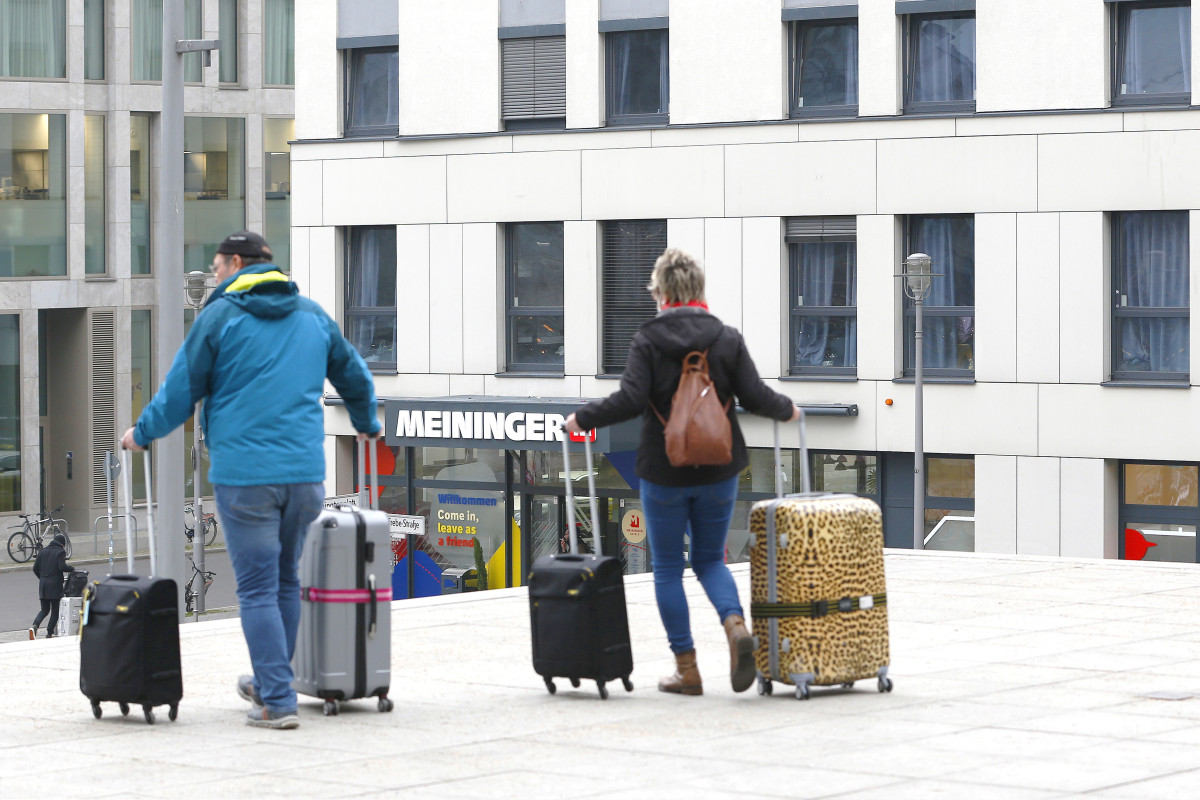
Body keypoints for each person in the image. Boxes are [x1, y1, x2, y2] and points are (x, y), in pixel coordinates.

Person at [120, 230, 380, 729]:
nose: (215, 278)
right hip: (304, 477)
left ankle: (277, 701)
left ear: (236, 263)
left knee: (259, 588)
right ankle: (270, 682)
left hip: (246, 479)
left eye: (216, 269)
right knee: (286, 581)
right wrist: (366, 424)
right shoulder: (311, 315)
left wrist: (143, 433)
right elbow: (354, 374)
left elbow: (180, 391)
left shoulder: (220, 317)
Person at [566, 248, 798, 696]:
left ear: (660, 292)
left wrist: (585, 418)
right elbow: (753, 395)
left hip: (665, 471)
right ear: (699, 290)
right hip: (719, 469)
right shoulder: (726, 337)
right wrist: (788, 410)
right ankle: (735, 627)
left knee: (669, 569)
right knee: (710, 560)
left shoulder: (648, 340)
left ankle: (687, 669)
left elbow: (631, 400)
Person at [28, 533, 72, 639]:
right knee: (55, 610)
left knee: (44, 609)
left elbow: (35, 568)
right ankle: (49, 632)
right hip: (55, 585)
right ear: (62, 544)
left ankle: (35, 626)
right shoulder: (60, 552)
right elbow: (61, 567)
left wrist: (42, 577)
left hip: (43, 584)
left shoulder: (42, 552)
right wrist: (72, 569)